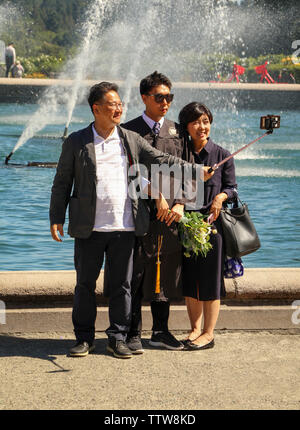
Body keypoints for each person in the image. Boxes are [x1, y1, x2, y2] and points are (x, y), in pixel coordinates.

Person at [49, 82, 212, 359]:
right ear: (96, 109)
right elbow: (62, 182)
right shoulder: (77, 141)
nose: (119, 109)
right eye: (113, 104)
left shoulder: (129, 139)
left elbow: (162, 159)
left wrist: (195, 170)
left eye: (120, 104)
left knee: (122, 286)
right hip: (89, 227)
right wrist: (56, 217)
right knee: (85, 285)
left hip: (125, 226)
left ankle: (118, 337)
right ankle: (84, 338)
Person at [121, 71, 187, 353]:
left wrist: (180, 202)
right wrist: (157, 197)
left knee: (166, 271)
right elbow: (127, 172)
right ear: (144, 97)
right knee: (137, 272)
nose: (165, 102)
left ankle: (161, 331)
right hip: (141, 212)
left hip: (170, 215)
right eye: (159, 97)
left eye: (169, 97)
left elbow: (187, 169)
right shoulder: (127, 130)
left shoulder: (177, 131)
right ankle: (133, 331)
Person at [178, 102, 237, 350]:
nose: (201, 127)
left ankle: (208, 333)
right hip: (186, 225)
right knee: (190, 278)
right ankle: (193, 328)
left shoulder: (223, 155)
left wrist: (219, 198)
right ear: (186, 126)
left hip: (212, 227)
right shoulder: (181, 154)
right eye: (196, 122)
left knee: (211, 280)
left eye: (205, 121)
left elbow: (232, 189)